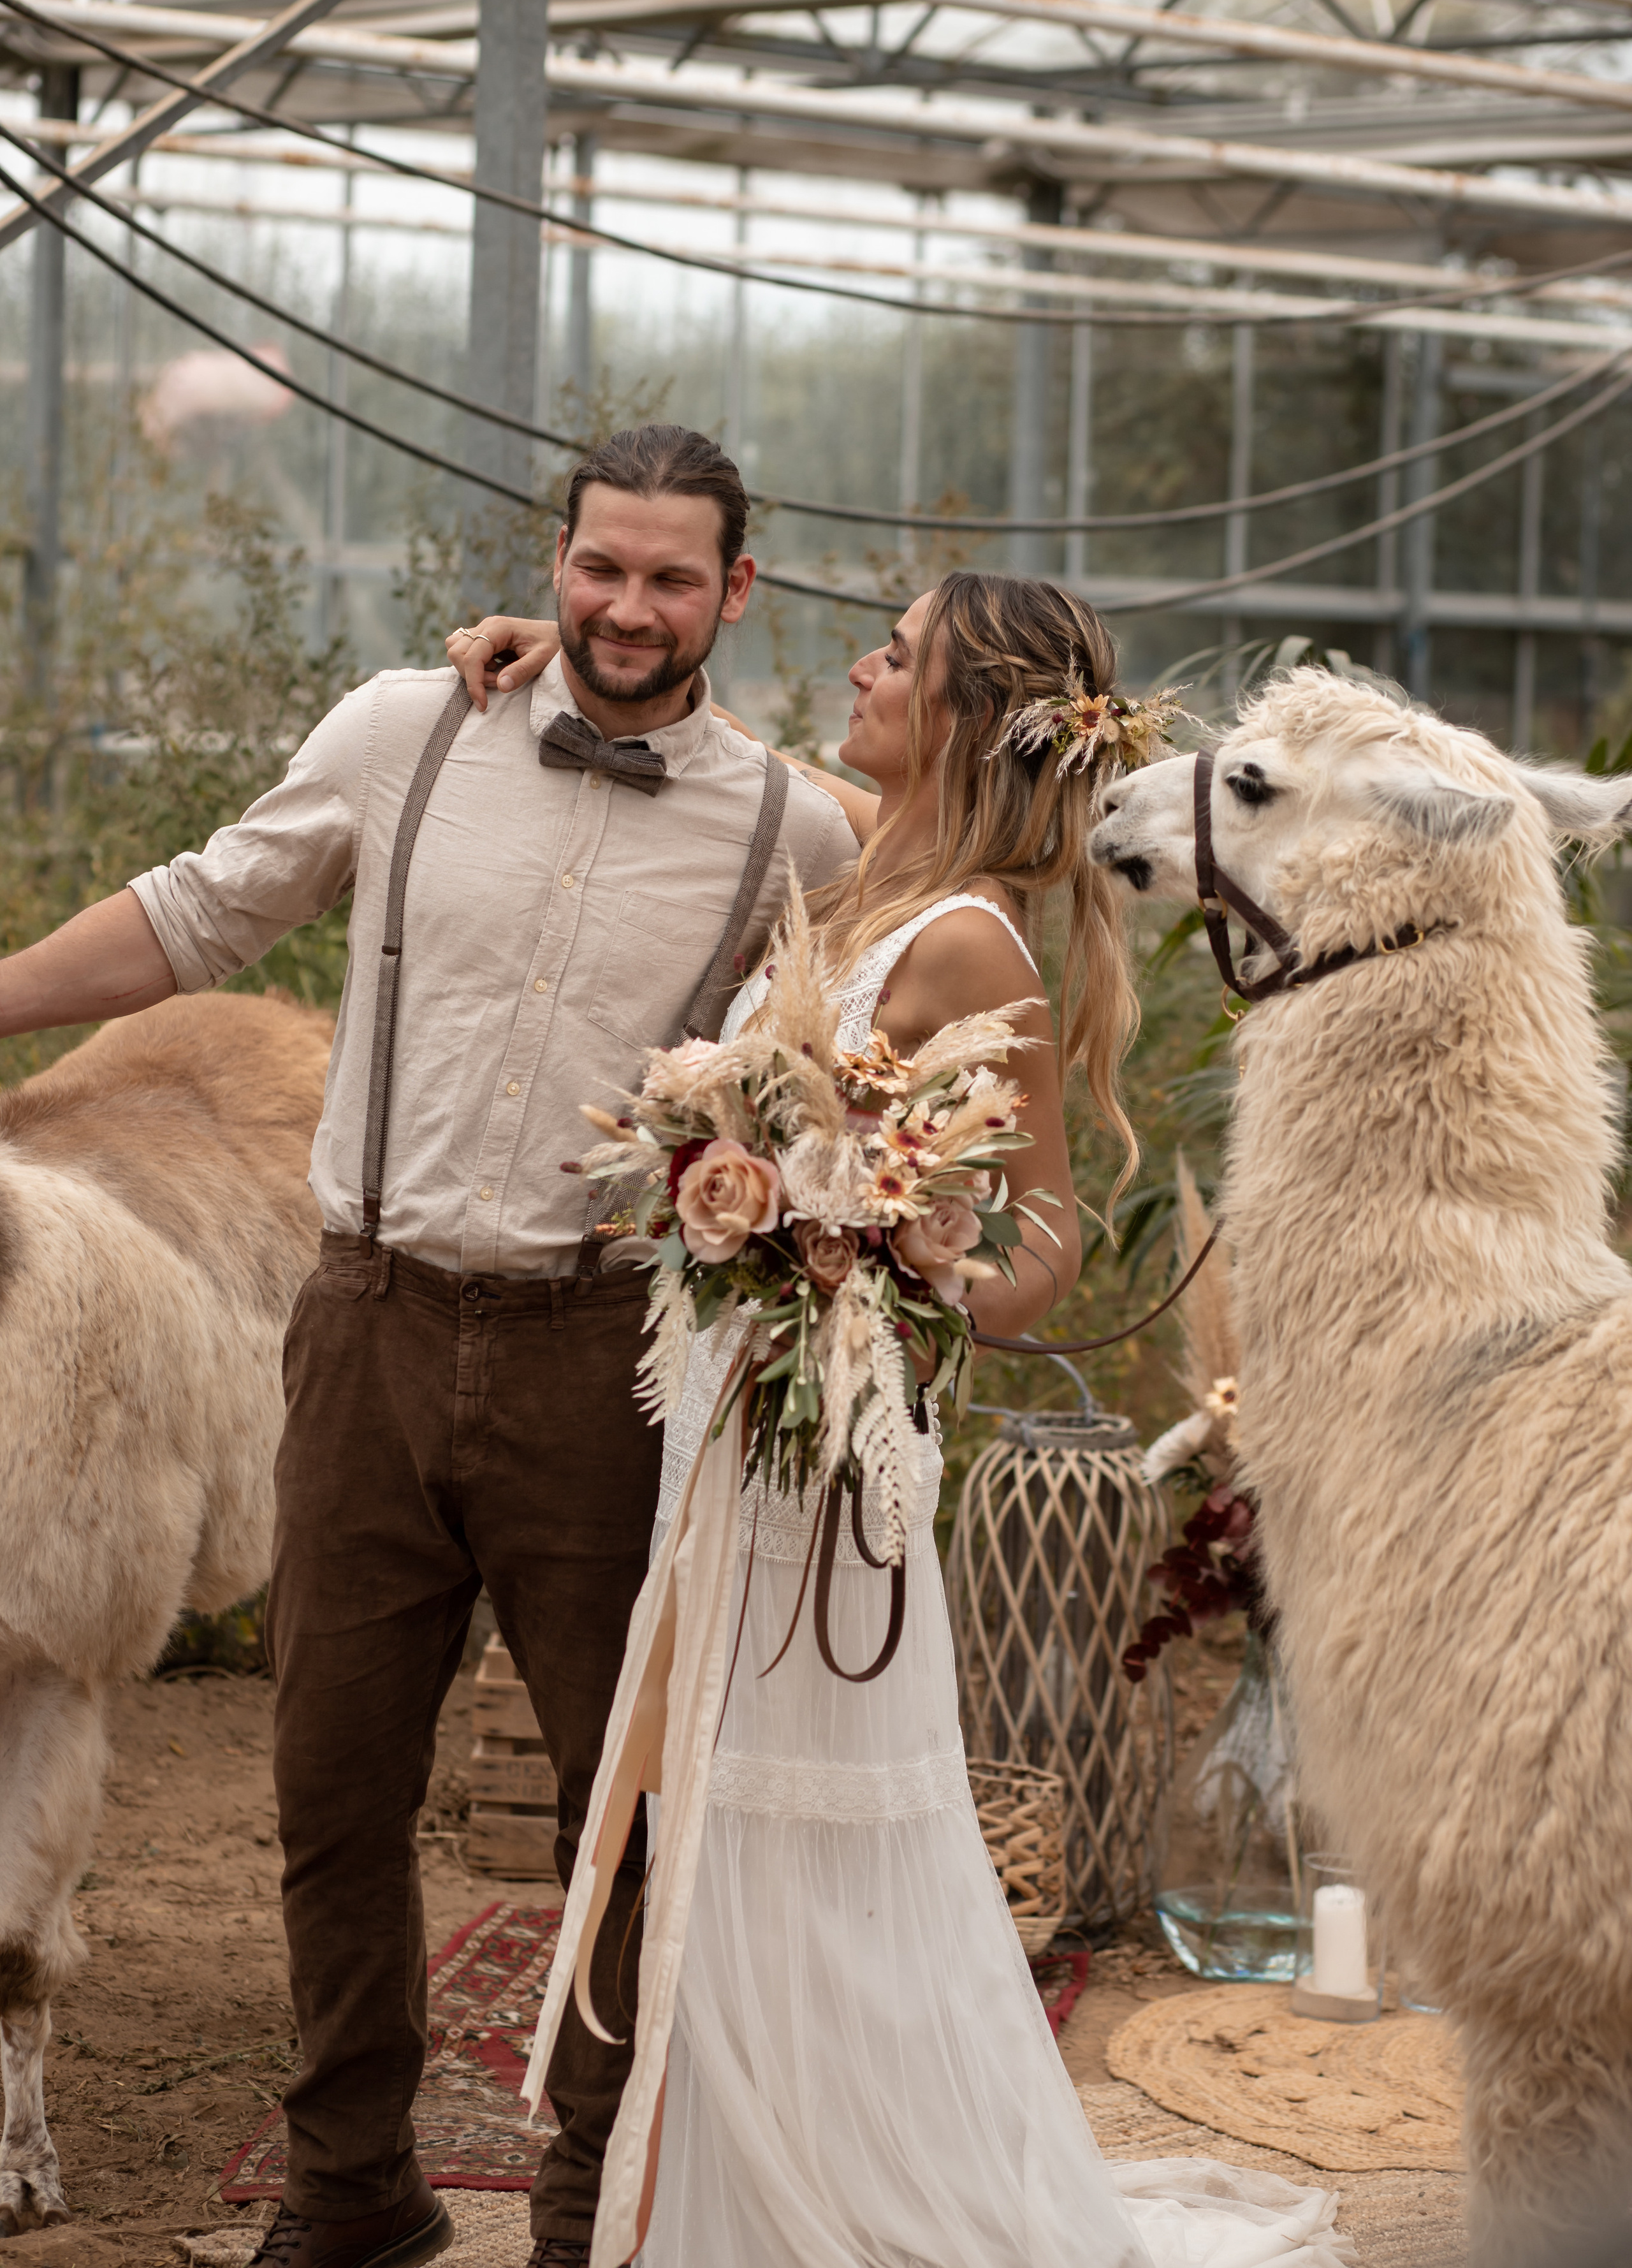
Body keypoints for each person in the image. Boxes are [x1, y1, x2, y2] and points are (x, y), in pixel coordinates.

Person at [0, 425, 857, 2268]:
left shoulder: (798, 831)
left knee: (609, 1813)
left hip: (603, 1359)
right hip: (369, 1322)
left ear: (738, 593)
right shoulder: (411, 730)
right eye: (601, 568)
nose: (628, 609)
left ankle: (583, 2200)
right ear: (558, 561)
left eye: (671, 579)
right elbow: (199, 909)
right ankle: (352, 2191)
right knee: (332, 1791)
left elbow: (867, 1039)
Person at [469, 573, 1352, 2268]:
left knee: (791, 1814)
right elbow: (700, 739)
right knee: (715, 1810)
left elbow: (1043, 1229)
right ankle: (723, 2180)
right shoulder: (873, 872)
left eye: (901, 651)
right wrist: (525, 661)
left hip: (822, 1457)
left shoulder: (967, 940)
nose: (864, 664)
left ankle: (810, 2203)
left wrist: (875, 1261)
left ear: (954, 715)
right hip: (732, 1430)